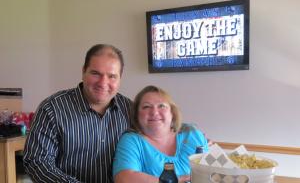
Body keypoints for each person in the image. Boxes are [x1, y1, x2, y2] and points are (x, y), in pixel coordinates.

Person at [23, 44, 132, 183]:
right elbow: (37, 162)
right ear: (83, 71)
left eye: (112, 76)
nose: (103, 83)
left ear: (120, 78)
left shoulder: (131, 110)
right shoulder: (52, 108)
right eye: (95, 73)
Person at [113, 85, 209, 183]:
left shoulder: (192, 134)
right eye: (146, 107)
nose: (154, 112)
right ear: (137, 115)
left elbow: (210, 172)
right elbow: (124, 178)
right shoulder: (131, 140)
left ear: (172, 112)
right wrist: (177, 180)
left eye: (161, 106)